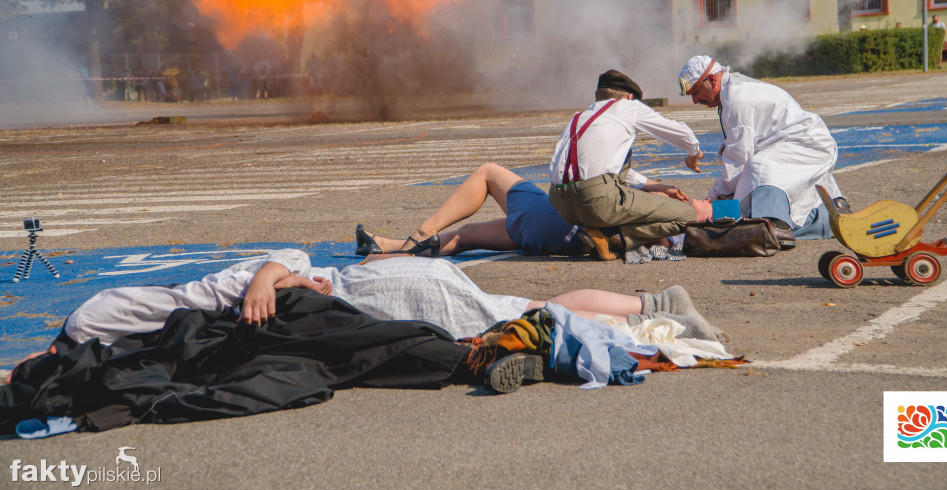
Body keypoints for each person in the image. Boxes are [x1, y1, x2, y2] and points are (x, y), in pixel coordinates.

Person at [4, 251, 727, 387]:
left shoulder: (189, 302)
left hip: (393, 295)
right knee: (519, 312)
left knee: (526, 311)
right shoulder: (157, 309)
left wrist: (264, 277)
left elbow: (280, 259)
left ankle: (659, 307)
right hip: (390, 287)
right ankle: (655, 309)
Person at [678, 55, 846, 244]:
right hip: (800, 143)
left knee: (760, 169)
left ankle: (774, 228)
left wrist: (715, 200)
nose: (694, 100)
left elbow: (738, 160)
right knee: (761, 181)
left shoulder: (736, 101)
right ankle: (829, 214)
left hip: (806, 144)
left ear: (712, 80)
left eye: (696, 92)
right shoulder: (732, 89)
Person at [547, 70, 710, 260]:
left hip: (561, 205)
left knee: (620, 156)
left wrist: (652, 186)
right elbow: (681, 133)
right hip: (596, 202)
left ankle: (599, 230)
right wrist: (694, 152)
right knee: (687, 216)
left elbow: (604, 167)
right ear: (629, 97)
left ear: (598, 95)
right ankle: (612, 237)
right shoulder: (628, 107)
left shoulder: (578, 117)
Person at [355, 163, 588, 258]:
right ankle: (385, 247)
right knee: (463, 235)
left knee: (488, 172)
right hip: (567, 238)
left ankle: (424, 230)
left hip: (557, 222)